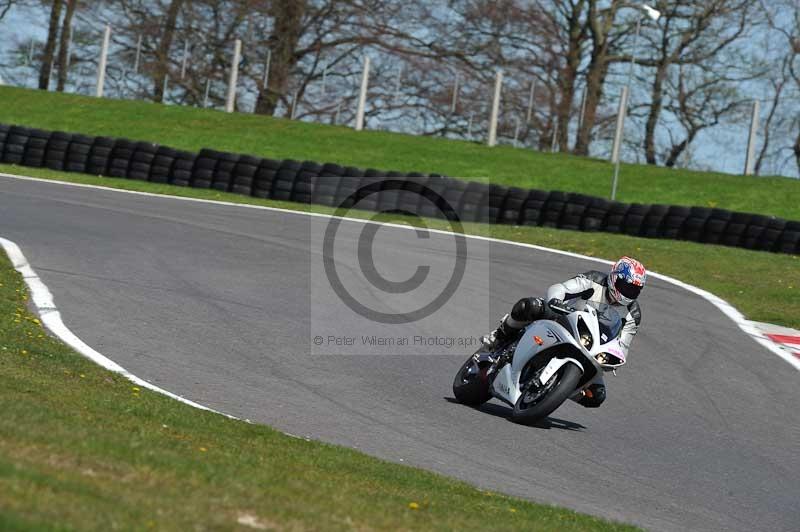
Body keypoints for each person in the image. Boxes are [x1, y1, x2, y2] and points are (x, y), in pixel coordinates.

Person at [481, 256, 646, 408]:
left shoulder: (633, 313)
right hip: (563, 318)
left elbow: (623, 345)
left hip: (591, 345)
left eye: (633, 290)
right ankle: (499, 335)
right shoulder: (594, 279)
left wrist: (614, 361)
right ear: (614, 278)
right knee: (530, 306)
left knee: (597, 396)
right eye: (626, 286)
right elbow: (562, 288)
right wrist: (556, 300)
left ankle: (559, 388)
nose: (627, 293)